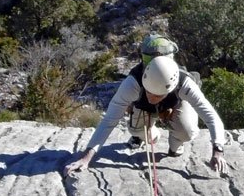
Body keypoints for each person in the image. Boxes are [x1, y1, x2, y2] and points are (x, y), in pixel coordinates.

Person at [64, 36, 227, 176]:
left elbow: (211, 117)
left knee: (188, 131)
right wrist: (87, 157)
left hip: (174, 104)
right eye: (149, 92)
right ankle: (145, 135)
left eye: (157, 95)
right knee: (139, 132)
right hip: (142, 108)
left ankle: (175, 143)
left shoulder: (185, 83)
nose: (151, 98)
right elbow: (109, 120)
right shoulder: (132, 84)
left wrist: (218, 150)